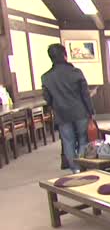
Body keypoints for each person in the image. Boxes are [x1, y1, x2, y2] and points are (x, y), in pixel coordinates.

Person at [41, 43, 95, 174]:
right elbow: (85, 95)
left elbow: (47, 98)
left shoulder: (46, 77)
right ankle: (83, 165)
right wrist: (91, 111)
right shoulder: (76, 72)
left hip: (61, 114)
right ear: (65, 55)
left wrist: (56, 104)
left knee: (67, 141)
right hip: (80, 112)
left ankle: (75, 169)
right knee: (83, 139)